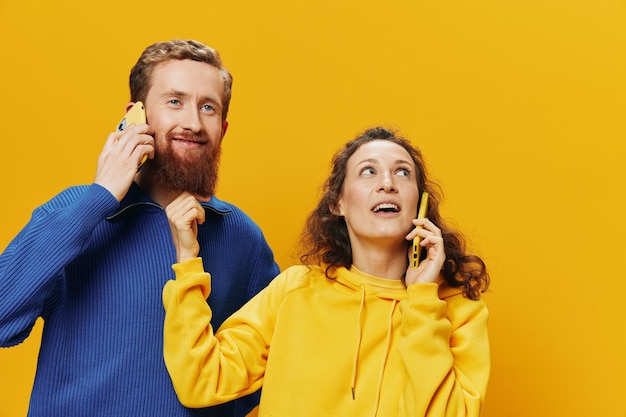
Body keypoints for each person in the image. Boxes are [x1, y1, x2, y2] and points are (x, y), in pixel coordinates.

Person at [0, 39, 279, 417]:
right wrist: (99, 197)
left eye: (207, 107)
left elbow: (271, 363)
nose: (193, 123)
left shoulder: (241, 237)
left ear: (223, 129)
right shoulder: (78, 213)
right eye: (175, 101)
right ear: (137, 115)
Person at [162, 126, 491, 417]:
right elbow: (201, 380)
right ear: (339, 204)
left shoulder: (457, 311)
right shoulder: (295, 291)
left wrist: (422, 301)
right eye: (368, 172)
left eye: (403, 173)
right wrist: (188, 261)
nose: (388, 183)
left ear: (420, 204)